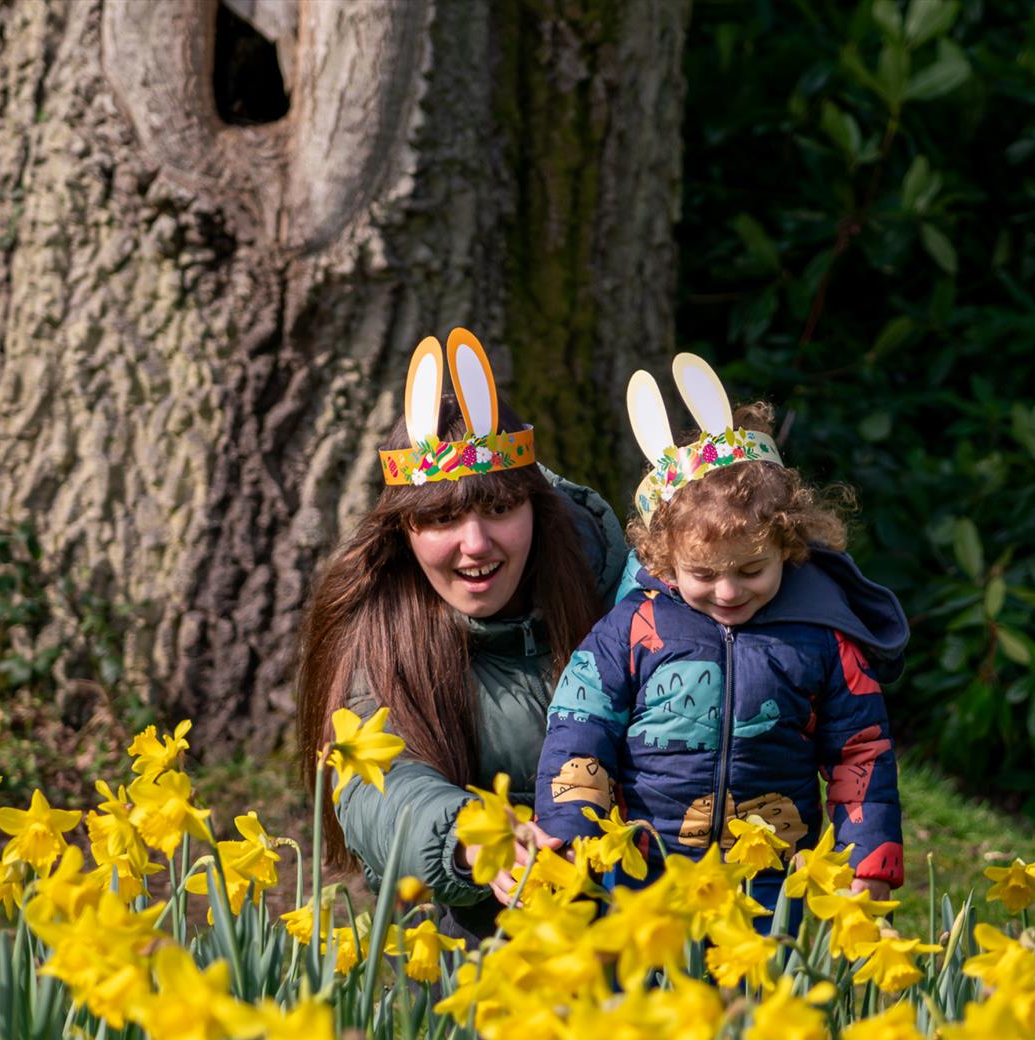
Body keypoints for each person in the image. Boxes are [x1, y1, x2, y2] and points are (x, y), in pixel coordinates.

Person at [533, 354, 907, 916]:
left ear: (788, 544)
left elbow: (861, 749)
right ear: (663, 557)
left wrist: (867, 855)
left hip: (768, 875)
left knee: (756, 996)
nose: (728, 592)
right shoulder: (634, 626)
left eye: (751, 570)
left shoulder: (822, 637)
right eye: (703, 574)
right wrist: (568, 826)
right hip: (647, 869)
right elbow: (580, 724)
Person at [294, 330, 627, 942]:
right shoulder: (383, 631)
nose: (475, 544)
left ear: (536, 509)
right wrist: (465, 836)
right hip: (472, 961)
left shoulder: (626, 599)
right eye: (442, 517)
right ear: (404, 532)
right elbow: (377, 786)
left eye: (499, 509)